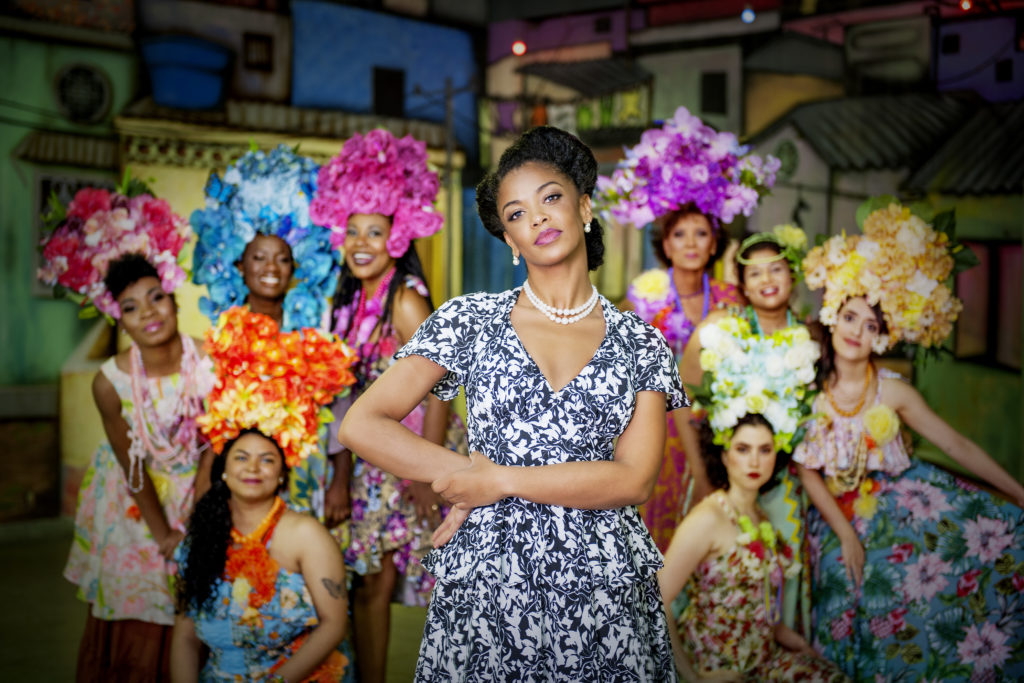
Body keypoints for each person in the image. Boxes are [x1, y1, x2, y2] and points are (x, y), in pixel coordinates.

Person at [338, 126, 686, 681]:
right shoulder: (470, 320)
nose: (538, 218)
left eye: (551, 197)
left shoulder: (641, 343)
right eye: (517, 214)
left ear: (585, 207)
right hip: (490, 574)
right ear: (511, 242)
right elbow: (362, 424)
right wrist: (465, 475)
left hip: (602, 583)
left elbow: (634, 479)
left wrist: (499, 479)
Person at [795, 199, 1024, 681]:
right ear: (834, 316)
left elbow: (957, 445)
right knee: (845, 578)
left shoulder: (894, 392)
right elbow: (806, 471)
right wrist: (845, 534)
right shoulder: (808, 387)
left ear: (882, 337)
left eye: (871, 326)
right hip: (833, 513)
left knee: (974, 547)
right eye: (851, 317)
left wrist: (1018, 491)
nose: (857, 332)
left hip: (899, 503)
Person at [310, 129, 467, 681]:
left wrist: (427, 471)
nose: (361, 242)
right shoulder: (352, 299)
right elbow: (346, 395)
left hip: (412, 450)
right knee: (366, 580)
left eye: (374, 232)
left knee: (393, 582)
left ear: (397, 238)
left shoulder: (405, 299)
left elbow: (443, 384)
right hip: (373, 455)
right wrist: (340, 476)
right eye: (353, 230)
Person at [39, 183, 213, 681]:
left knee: (198, 607)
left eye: (156, 298)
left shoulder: (209, 361)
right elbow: (131, 464)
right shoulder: (110, 382)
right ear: (119, 316)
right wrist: (164, 535)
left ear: (173, 300)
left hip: (200, 490)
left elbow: (215, 445)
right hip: (134, 501)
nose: (149, 313)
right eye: (132, 307)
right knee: (140, 607)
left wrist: (196, 518)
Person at [595, 105, 778, 549]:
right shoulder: (645, 300)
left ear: (714, 243)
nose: (691, 243)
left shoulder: (733, 298)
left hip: (722, 429)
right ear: (665, 244)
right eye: (680, 234)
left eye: (701, 234)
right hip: (660, 431)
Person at [172, 307, 357, 682]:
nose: (253, 468)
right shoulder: (203, 534)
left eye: (267, 460)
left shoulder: (307, 535)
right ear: (224, 470)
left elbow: (334, 624)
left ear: (282, 475)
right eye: (241, 458)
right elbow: (185, 638)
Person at [191, 144, 341, 518]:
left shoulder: (313, 333)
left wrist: (342, 480)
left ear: (296, 267)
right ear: (239, 265)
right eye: (258, 257)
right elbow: (216, 419)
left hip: (305, 471)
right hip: (242, 481)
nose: (271, 268)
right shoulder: (224, 335)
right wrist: (204, 481)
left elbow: (336, 410)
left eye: (282, 258)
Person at [678, 225, 815, 632]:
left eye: (776, 269)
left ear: (792, 275)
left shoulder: (809, 339)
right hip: (720, 476)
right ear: (742, 284)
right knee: (714, 569)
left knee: (777, 573)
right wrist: (701, 474)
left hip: (782, 485)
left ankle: (769, 649)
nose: (767, 279)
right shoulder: (720, 327)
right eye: (755, 272)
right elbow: (680, 399)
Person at [658, 415, 847, 682]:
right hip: (716, 666)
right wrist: (693, 677)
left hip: (764, 659)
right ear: (724, 455)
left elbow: (755, 603)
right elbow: (655, 599)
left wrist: (795, 641)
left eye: (765, 450)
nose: (755, 462)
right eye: (743, 449)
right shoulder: (708, 517)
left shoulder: (761, 518)